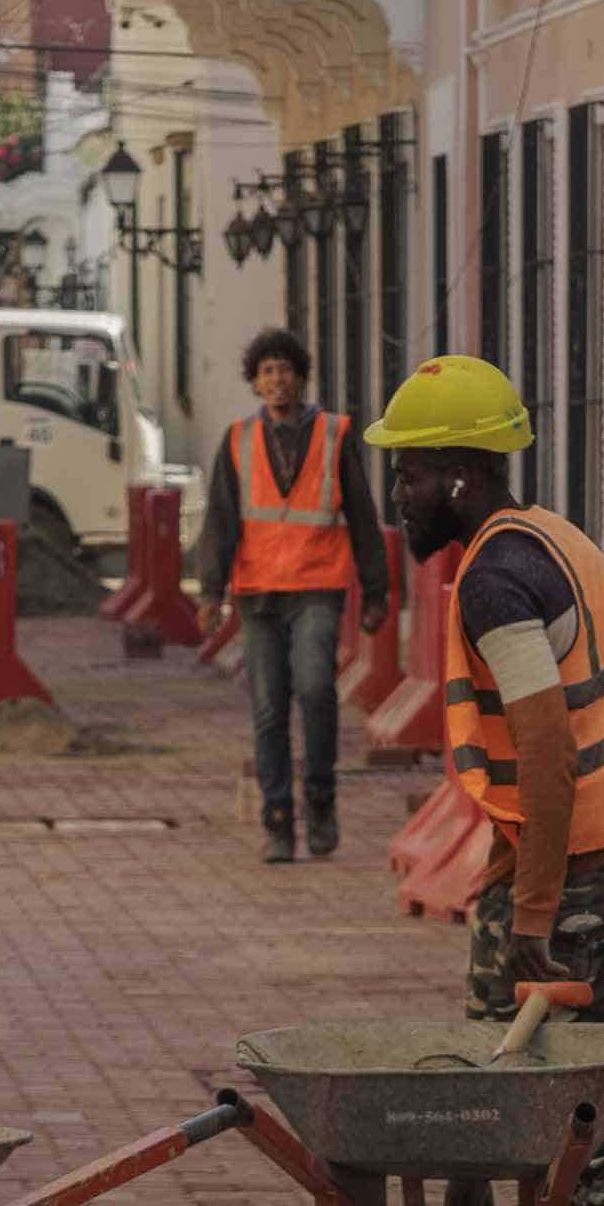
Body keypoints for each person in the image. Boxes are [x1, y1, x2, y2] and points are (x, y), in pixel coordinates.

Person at [366, 354, 604, 1206]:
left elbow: (550, 754)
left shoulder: (494, 584)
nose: (399, 497)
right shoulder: (548, 537)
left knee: (520, 1090)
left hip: (590, 875)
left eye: (410, 476)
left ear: (460, 478)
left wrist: (530, 915)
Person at [197, 328, 393, 863]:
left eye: (285, 369)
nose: (277, 380)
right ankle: (278, 822)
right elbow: (219, 520)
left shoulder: (334, 434)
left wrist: (377, 592)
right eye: (267, 372)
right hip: (259, 596)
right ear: (255, 383)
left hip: (317, 588)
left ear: (300, 376)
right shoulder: (238, 440)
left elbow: (360, 512)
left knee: (314, 690)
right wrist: (210, 592)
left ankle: (322, 800)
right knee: (267, 710)